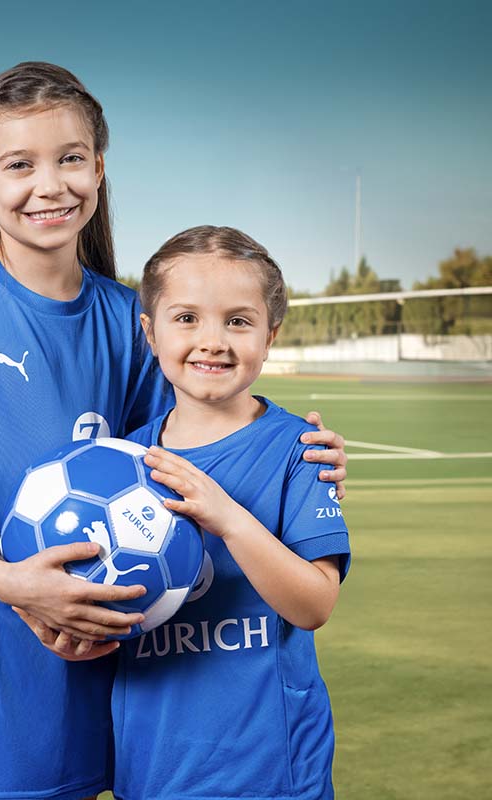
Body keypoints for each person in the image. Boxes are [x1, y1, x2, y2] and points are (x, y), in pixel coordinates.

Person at [0, 63, 347, 800]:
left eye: (70, 159)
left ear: (98, 168)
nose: (50, 185)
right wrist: (12, 584)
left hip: (108, 649)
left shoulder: (131, 317)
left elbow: (196, 429)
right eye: (19, 165)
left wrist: (302, 453)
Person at [110, 225, 350, 800]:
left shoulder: (301, 450)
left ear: (270, 336)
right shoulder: (119, 466)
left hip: (269, 771)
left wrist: (228, 517)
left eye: (238, 321)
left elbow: (315, 605)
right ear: (151, 332)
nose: (212, 341)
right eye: (186, 318)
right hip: (151, 766)